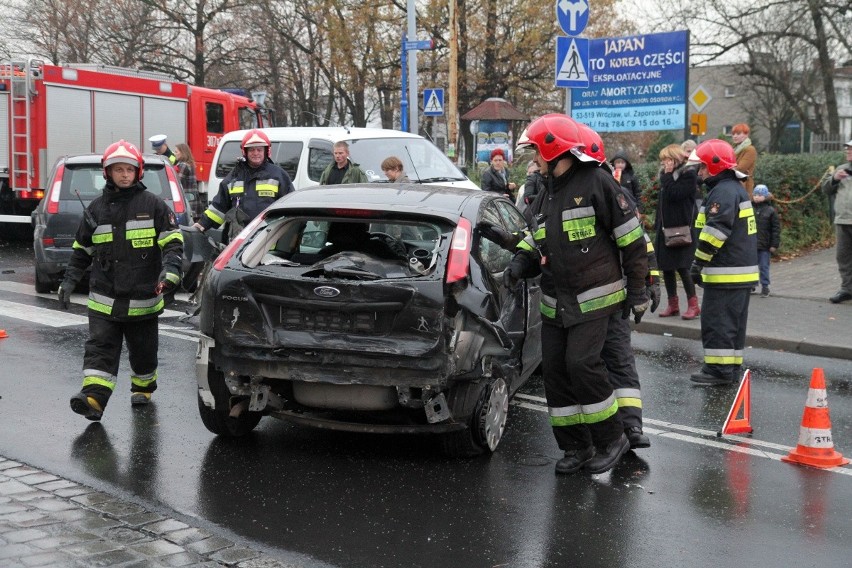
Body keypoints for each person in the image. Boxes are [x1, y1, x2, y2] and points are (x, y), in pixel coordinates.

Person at [503, 114, 649, 474]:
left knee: (582, 365)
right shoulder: (545, 192)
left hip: (596, 299)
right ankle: (575, 447)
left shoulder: (597, 181)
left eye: (536, 151)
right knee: (555, 373)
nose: (532, 159)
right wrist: (521, 263)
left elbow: (632, 241)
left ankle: (611, 438)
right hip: (555, 303)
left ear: (553, 149)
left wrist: (639, 290)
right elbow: (534, 238)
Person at [58, 140, 184, 420]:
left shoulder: (154, 205)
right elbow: (81, 250)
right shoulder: (95, 209)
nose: (124, 175)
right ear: (108, 173)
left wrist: (171, 273)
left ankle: (143, 386)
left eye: (129, 169)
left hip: (143, 300)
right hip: (104, 299)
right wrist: (68, 281)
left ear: (138, 172)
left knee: (143, 353)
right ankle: (94, 399)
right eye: (118, 170)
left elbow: (173, 243)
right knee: (100, 348)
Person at [687, 139, 758, 385]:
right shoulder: (734, 188)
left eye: (703, 167)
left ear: (716, 166)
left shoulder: (723, 192)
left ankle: (718, 371)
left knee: (718, 324)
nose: (700, 172)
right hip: (737, 273)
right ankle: (730, 368)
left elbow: (715, 232)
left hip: (726, 273)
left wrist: (698, 263)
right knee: (733, 326)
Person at [194, 129, 294, 239]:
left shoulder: (279, 176)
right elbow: (219, 208)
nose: (255, 153)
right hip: (239, 242)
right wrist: (202, 224)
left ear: (266, 151)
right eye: (251, 150)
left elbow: (291, 208)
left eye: (259, 150)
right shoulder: (234, 177)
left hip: (268, 240)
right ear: (244, 152)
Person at [655, 144, 701, 320]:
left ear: (675, 158)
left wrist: (667, 176)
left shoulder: (688, 175)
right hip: (666, 229)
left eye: (667, 159)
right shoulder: (665, 176)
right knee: (667, 268)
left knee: (683, 268)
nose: (664, 163)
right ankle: (672, 304)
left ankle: (693, 305)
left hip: (682, 229)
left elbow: (675, 194)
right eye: (663, 160)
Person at [821, 139, 852, 304]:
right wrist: (834, 178)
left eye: (851, 149)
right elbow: (826, 189)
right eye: (847, 149)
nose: (848, 151)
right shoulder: (842, 169)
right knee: (843, 257)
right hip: (842, 220)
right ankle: (847, 289)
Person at [752, 184, 781, 297]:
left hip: (764, 245)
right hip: (751, 244)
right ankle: (752, 285)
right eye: (755, 195)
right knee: (752, 266)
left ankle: (765, 286)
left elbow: (775, 229)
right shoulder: (750, 208)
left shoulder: (770, 211)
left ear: (765, 196)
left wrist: (774, 244)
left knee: (764, 266)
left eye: (759, 195)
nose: (757, 197)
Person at [174, 143, 200, 220]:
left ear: (183, 153)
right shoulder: (189, 164)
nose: (174, 154)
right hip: (192, 199)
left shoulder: (183, 165)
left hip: (187, 201)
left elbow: (177, 183)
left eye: (176, 152)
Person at [731, 123, 757, 197]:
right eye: (733, 134)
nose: (735, 136)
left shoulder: (750, 149)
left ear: (746, 135)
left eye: (738, 133)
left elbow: (740, 168)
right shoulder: (734, 149)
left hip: (744, 185)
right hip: (735, 184)